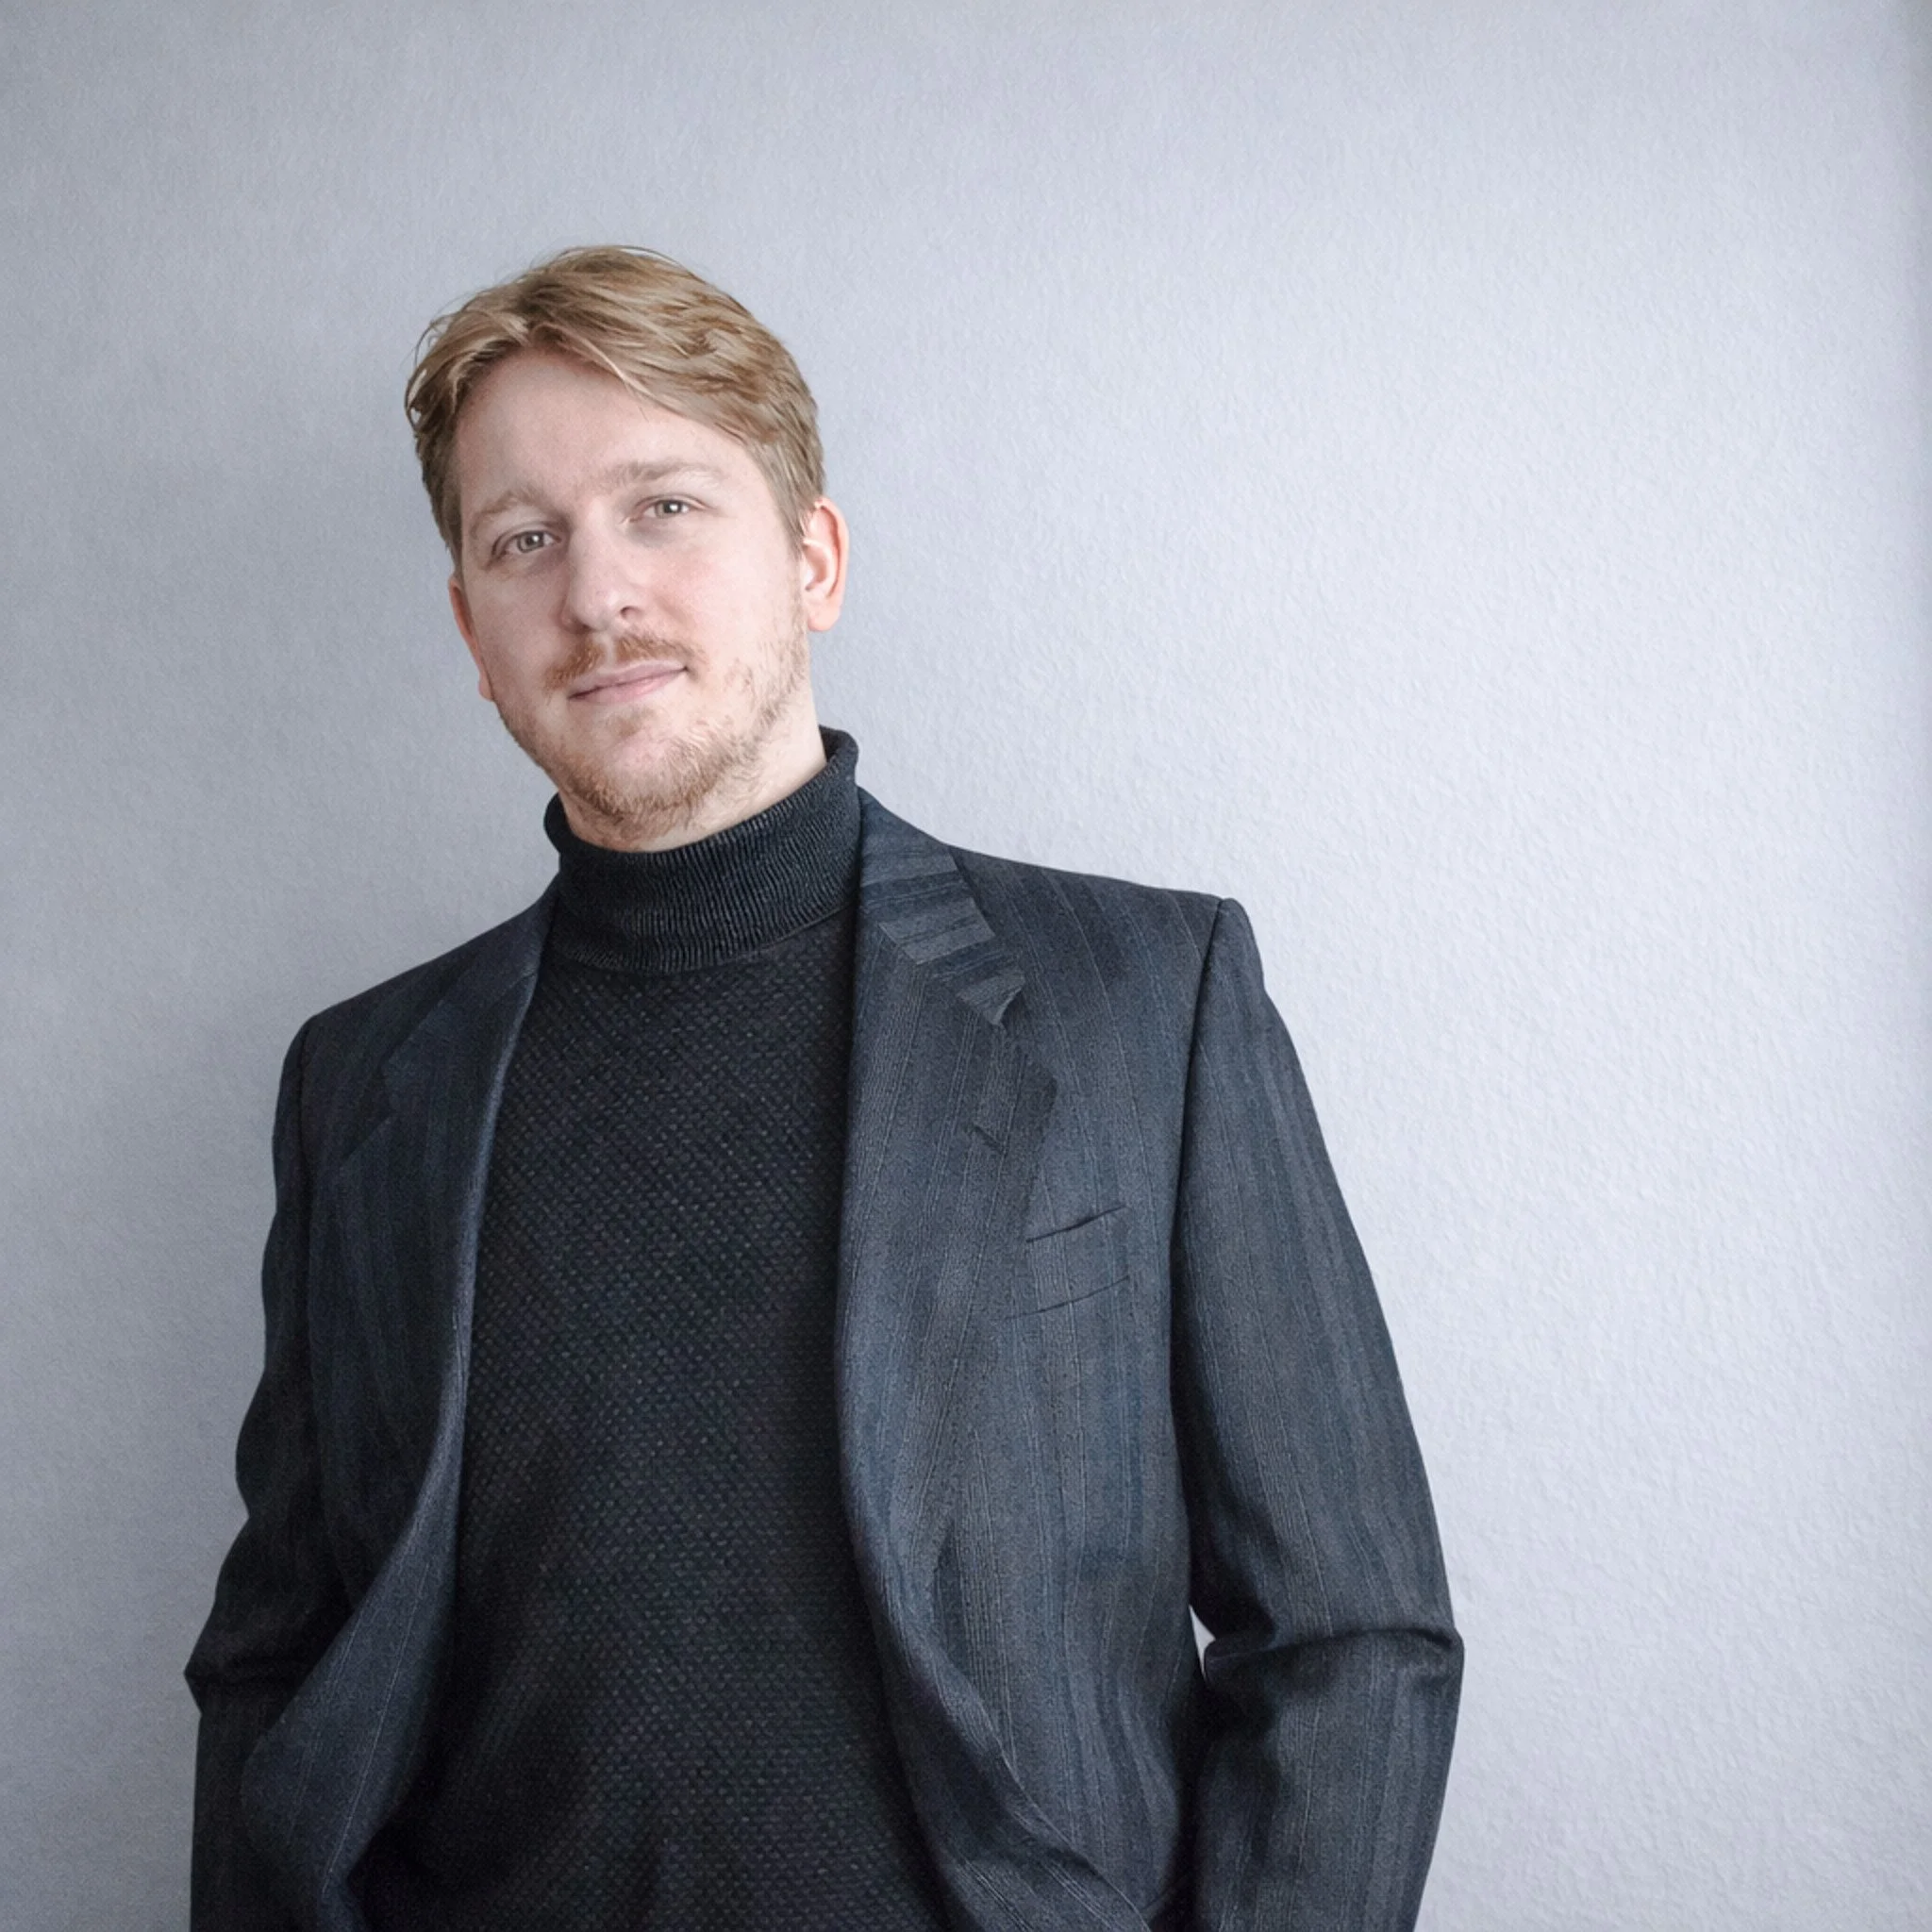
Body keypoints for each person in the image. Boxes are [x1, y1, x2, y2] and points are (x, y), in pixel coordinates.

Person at [186, 246, 1461, 1931]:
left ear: (814, 559)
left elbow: (1352, 1635)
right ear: (472, 632)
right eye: (524, 540)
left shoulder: (1147, 997)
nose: (598, 594)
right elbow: (279, 1659)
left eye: (664, 508)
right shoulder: (361, 1086)